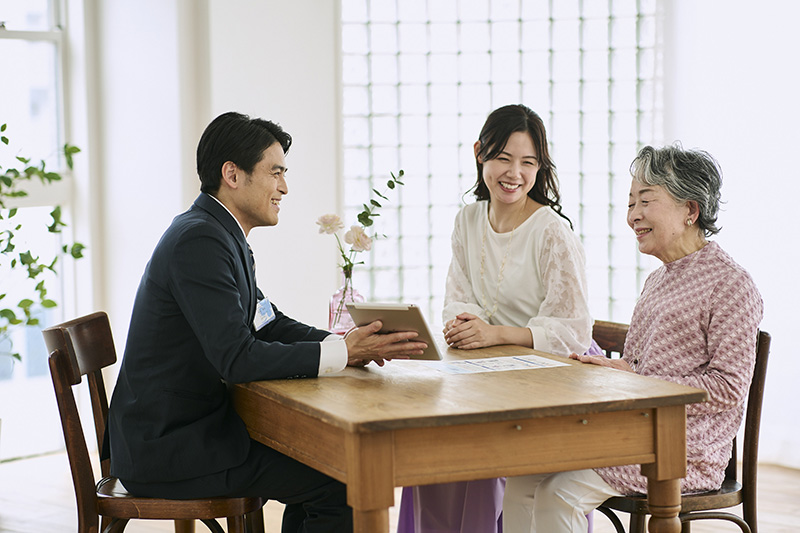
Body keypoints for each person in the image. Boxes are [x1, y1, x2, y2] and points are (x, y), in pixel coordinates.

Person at [104, 112, 427, 532]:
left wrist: (343, 343)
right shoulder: (200, 241)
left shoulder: (219, 233)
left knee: (327, 467)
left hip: (185, 431)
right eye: (275, 173)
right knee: (341, 482)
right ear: (232, 174)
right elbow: (236, 358)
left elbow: (267, 324)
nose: (284, 187)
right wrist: (342, 353)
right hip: (170, 446)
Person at [501, 144, 764, 532]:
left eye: (645, 201)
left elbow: (728, 388)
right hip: (637, 431)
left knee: (560, 493)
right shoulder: (657, 279)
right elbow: (637, 366)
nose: (632, 216)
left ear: (690, 210)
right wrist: (608, 368)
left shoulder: (732, 285)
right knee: (522, 478)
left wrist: (642, 385)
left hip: (686, 450)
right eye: (630, 203)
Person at [398, 104, 596, 533]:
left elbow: (574, 330)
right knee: (430, 444)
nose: (515, 173)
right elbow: (456, 298)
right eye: (503, 158)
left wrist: (495, 334)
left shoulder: (551, 232)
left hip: (549, 373)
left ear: (540, 168)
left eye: (528, 162)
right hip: (483, 369)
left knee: (481, 451)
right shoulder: (467, 220)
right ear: (480, 154)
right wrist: (466, 326)